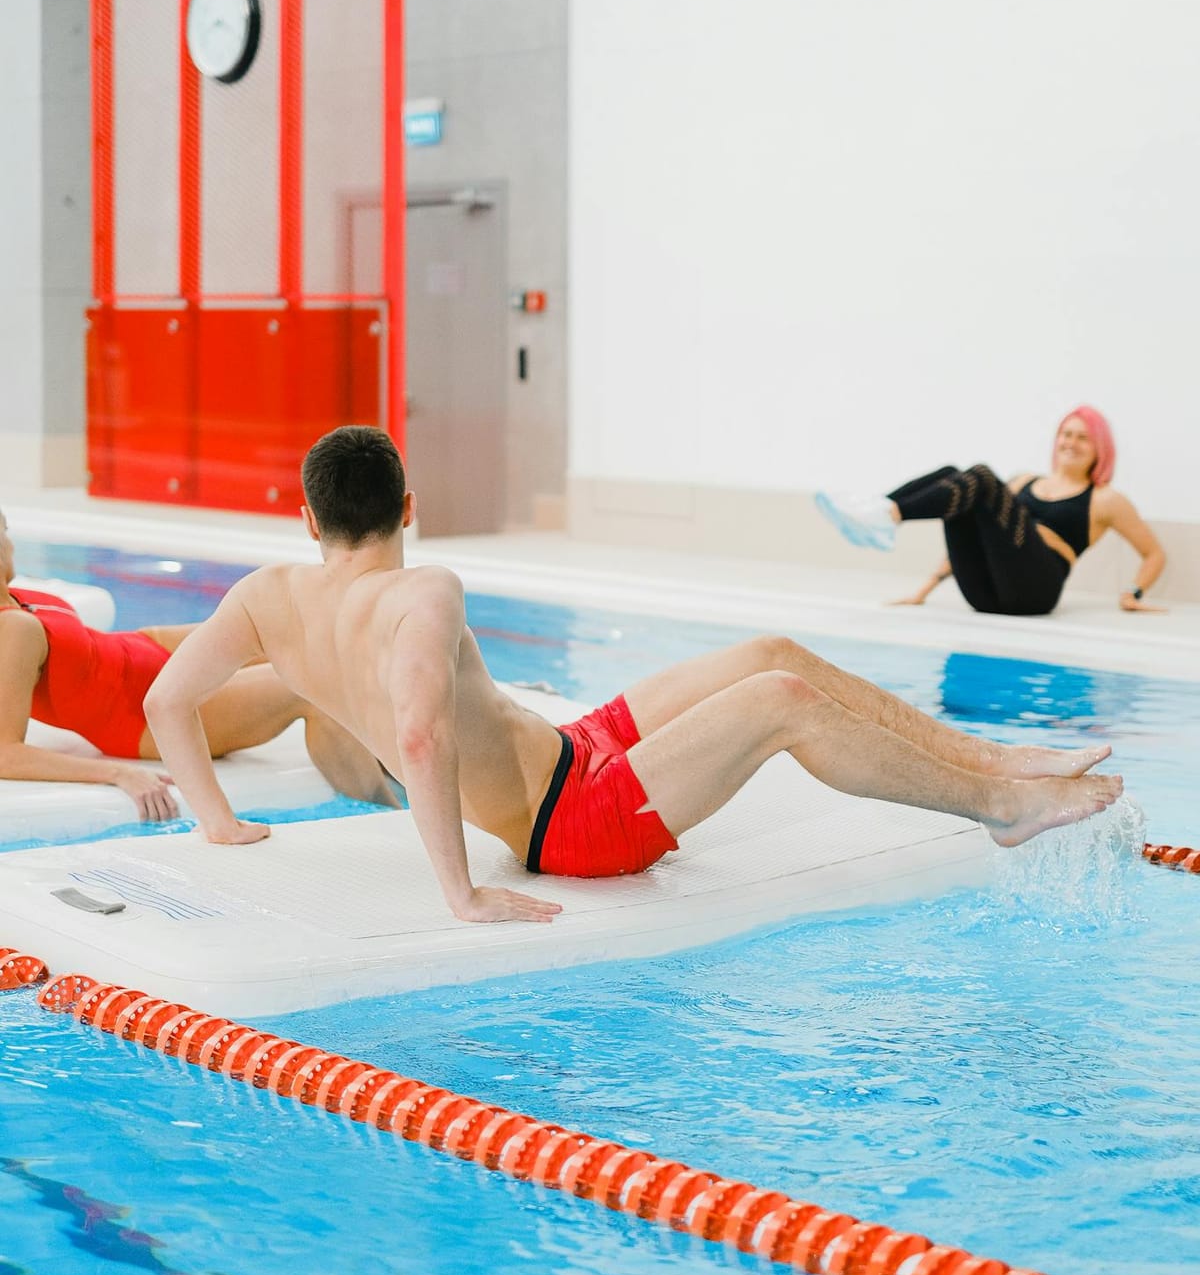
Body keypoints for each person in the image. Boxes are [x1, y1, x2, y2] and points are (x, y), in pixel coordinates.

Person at [144, 427, 1124, 928]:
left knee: (770, 653)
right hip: (570, 824)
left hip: (574, 755)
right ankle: (996, 802)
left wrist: (215, 818)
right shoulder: (422, 590)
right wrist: (462, 893)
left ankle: (1000, 757)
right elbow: (417, 734)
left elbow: (168, 700)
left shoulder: (266, 596)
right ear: (409, 505)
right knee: (780, 705)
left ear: (309, 522)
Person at [0, 506, 394, 824]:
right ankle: (391, 816)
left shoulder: (22, 597)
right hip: (141, 713)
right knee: (308, 689)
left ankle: (393, 761)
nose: (10, 540)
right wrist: (118, 774)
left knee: (290, 632)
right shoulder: (11, 630)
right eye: (5, 531)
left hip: (146, 650)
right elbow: (5, 753)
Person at [815, 407, 1166, 618]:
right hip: (984, 593)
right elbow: (972, 528)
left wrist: (1132, 594)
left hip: (1036, 593)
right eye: (1065, 434)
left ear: (1099, 449)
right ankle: (879, 511)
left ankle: (884, 514)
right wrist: (924, 591)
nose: (1070, 443)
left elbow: (1153, 554)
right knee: (956, 477)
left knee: (980, 476)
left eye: (1082, 438)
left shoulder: (1106, 499)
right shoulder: (1024, 481)